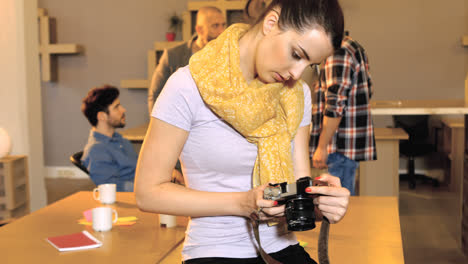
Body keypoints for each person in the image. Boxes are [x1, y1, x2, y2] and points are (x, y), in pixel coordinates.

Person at [136, 0, 349, 263]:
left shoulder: (298, 96)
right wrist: (243, 203)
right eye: (297, 54)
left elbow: (290, 192)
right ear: (271, 23)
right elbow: (148, 192)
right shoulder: (187, 87)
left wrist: (319, 202)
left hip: (281, 247)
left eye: (310, 65)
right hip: (214, 249)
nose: (297, 73)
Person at [310, 32, 376, 196]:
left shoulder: (338, 52)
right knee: (343, 204)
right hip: (346, 146)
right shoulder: (352, 46)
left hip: (338, 147)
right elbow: (369, 88)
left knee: (336, 210)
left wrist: (322, 146)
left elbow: (335, 104)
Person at [148, 6, 226, 114]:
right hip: (180, 124)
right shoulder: (173, 55)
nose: (222, 31)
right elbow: (155, 95)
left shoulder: (228, 55)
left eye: (223, 25)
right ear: (199, 30)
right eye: (215, 26)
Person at [81, 85, 137, 192]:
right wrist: (149, 188)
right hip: (135, 197)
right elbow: (112, 188)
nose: (123, 110)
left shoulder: (120, 140)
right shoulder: (96, 150)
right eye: (116, 107)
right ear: (102, 116)